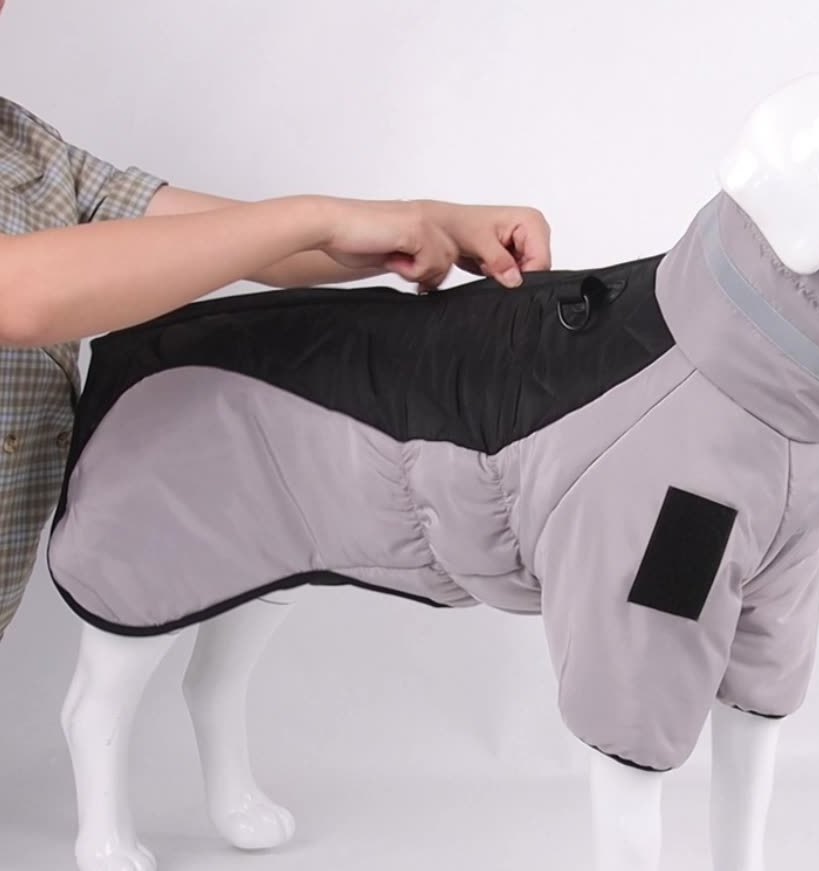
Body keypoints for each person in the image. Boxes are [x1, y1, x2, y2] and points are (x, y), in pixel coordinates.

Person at [0, 63, 551, 640]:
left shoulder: (30, 149)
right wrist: (322, 219)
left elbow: (239, 241)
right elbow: (20, 298)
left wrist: (431, 222)